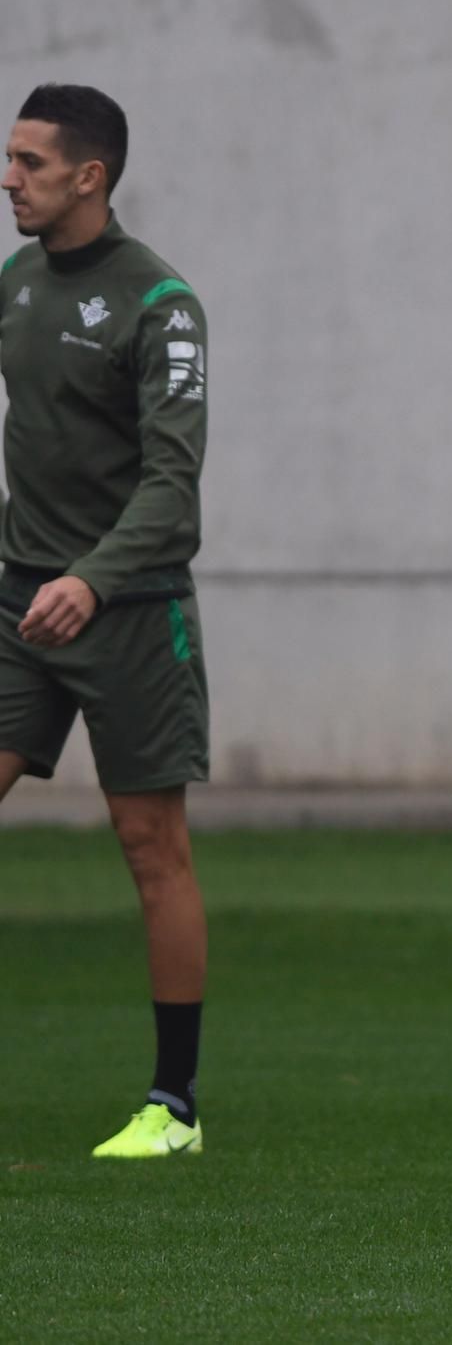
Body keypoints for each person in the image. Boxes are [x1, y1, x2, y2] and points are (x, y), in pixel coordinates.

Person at [0, 84, 213, 1158]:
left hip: (130, 610)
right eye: (9, 158)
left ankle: (173, 1106)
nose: (9, 178)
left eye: (30, 162)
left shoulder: (161, 304)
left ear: (91, 175)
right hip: (19, 600)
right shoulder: (16, 282)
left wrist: (91, 576)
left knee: (150, 844)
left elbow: (173, 490)